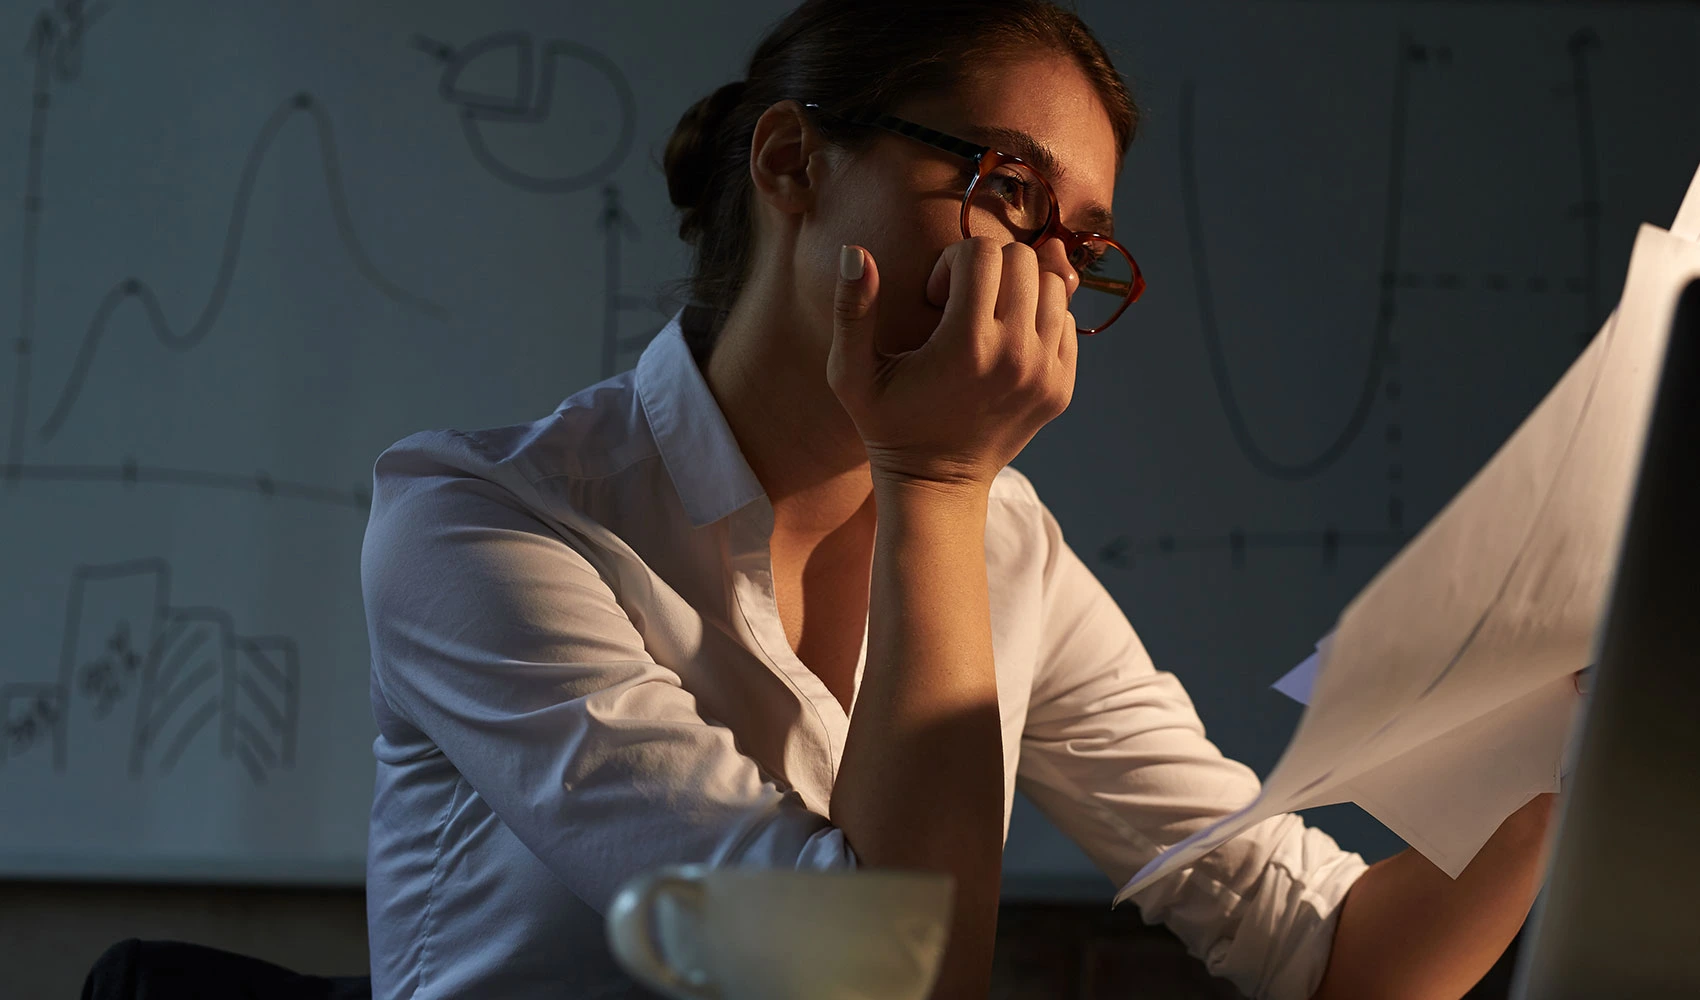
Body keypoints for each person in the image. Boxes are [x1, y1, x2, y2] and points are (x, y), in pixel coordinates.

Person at [360, 2, 1560, 998]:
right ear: (790, 163)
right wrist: (933, 477)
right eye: (1005, 187)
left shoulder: (1005, 540)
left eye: (1080, 250)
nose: (1038, 275)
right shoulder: (477, 520)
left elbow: (1339, 953)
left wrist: (1578, 720)